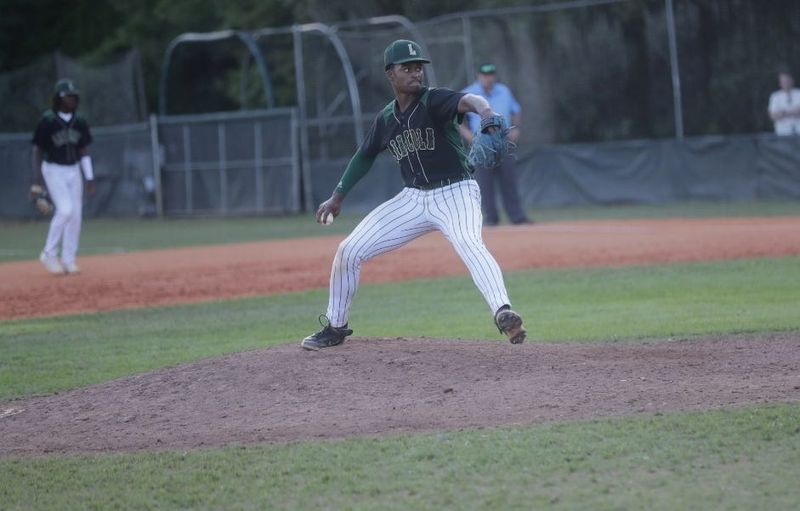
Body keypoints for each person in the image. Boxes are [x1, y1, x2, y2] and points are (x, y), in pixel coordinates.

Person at [302, 40, 527, 350]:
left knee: (469, 242)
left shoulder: (434, 100)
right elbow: (364, 155)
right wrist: (338, 195)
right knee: (348, 250)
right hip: (413, 199)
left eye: (418, 67)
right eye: (406, 68)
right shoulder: (386, 119)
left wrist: (486, 111)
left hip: (456, 192)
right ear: (390, 74)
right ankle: (335, 327)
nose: (415, 73)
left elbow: (470, 100)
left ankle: (503, 311)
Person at [31, 78, 96, 274]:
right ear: (59, 98)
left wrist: (89, 177)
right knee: (65, 210)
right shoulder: (48, 120)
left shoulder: (80, 121)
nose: (73, 100)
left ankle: (69, 260)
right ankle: (49, 254)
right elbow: (37, 149)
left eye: (74, 96)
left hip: (74, 170)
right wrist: (36, 181)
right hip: (53, 169)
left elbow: (83, 150)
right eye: (69, 96)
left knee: (76, 215)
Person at [459, 63, 531, 226]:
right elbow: (457, 119)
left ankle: (517, 217)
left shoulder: (504, 91)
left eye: (491, 74)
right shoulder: (468, 93)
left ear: (495, 76)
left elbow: (516, 110)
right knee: (484, 183)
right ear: (478, 76)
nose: (488, 78)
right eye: (485, 75)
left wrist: (516, 128)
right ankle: (491, 218)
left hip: (502, 141)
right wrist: (468, 136)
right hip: (482, 143)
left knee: (509, 180)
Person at [768, 70, 800, 136]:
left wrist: (782, 113)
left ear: (792, 81)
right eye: (783, 81)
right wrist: (793, 112)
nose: (786, 83)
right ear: (780, 83)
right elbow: (773, 116)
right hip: (783, 133)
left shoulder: (798, 93)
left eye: (787, 80)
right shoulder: (775, 97)